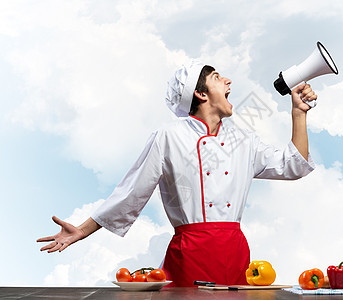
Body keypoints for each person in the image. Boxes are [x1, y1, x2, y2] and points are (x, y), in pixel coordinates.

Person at [37, 60, 317, 287]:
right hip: (189, 255)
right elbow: (132, 193)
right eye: (218, 77)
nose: (229, 81)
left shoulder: (244, 141)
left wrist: (298, 113)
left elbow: (293, 165)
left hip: (235, 254)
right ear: (200, 93)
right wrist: (83, 231)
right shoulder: (168, 137)